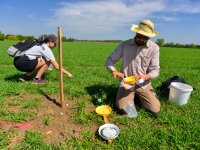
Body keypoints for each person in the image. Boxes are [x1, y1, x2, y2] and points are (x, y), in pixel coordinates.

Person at [106, 19, 160, 114]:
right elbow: (110, 60)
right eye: (139, 36)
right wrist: (114, 71)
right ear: (136, 33)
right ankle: (132, 96)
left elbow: (155, 70)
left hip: (143, 83)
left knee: (155, 109)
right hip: (126, 83)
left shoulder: (154, 48)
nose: (142, 39)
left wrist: (145, 77)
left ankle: (139, 96)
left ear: (149, 37)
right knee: (122, 108)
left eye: (145, 38)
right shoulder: (124, 45)